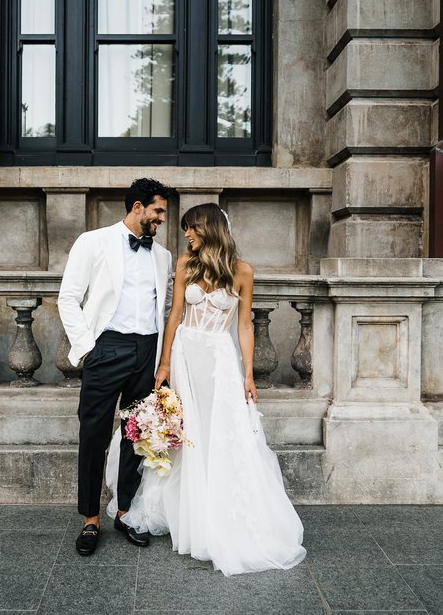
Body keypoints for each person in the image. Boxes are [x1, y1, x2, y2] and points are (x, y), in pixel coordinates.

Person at [105, 203, 306, 576]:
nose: (186, 234)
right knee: (185, 431)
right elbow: (175, 315)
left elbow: (244, 327)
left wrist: (248, 375)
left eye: (191, 228)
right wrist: (164, 364)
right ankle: (179, 509)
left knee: (218, 432)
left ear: (209, 228)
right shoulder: (185, 265)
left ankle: (218, 511)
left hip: (218, 359)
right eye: (185, 229)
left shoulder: (243, 272)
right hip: (185, 353)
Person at [57, 178, 173, 556]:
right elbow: (68, 299)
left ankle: (125, 513)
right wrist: (89, 349)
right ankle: (90, 520)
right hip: (107, 349)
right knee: (93, 434)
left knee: (135, 437)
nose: (161, 220)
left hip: (147, 351)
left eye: (163, 214)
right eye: (157, 211)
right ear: (137, 207)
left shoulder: (163, 255)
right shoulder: (92, 242)